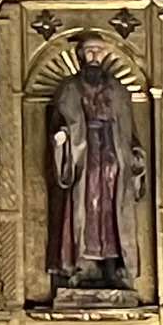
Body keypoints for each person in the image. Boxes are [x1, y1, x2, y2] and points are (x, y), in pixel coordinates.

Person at [46, 33, 146, 293]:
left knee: (112, 210)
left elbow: (128, 128)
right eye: (89, 52)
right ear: (80, 55)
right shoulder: (69, 89)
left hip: (112, 153)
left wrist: (135, 153)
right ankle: (81, 264)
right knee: (84, 207)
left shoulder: (118, 91)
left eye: (98, 52)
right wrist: (62, 138)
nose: (93, 57)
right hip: (83, 154)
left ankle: (113, 264)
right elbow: (61, 120)